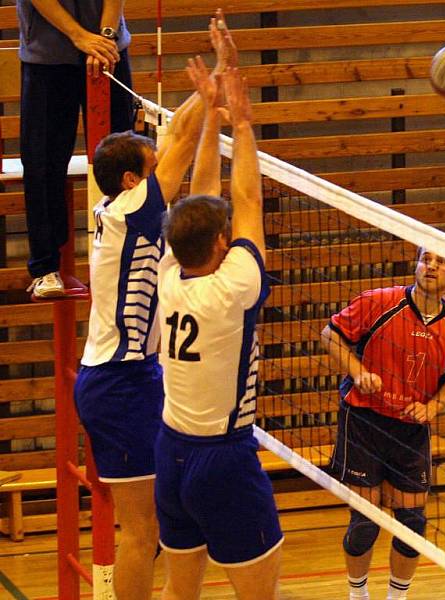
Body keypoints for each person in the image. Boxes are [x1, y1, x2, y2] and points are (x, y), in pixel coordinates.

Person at [73, 12, 236, 600]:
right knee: (142, 532)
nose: (156, 173)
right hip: (119, 383)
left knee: (160, 528)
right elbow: (181, 148)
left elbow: (170, 145)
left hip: (130, 376)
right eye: (146, 171)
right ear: (128, 181)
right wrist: (211, 87)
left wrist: (208, 91)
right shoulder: (131, 212)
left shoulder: (117, 208)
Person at [155, 63, 283, 600]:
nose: (233, 236)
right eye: (224, 234)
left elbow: (200, 194)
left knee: (180, 594)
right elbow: (248, 200)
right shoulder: (233, 287)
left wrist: (211, 111)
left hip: (171, 451)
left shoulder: (167, 273)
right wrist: (243, 115)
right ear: (217, 246)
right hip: (224, 460)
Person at [321, 247, 445, 600]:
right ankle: (358, 595)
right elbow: (330, 335)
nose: (432, 266)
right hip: (364, 422)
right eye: (426, 259)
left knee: (412, 524)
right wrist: (358, 372)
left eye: (441, 262)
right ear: (416, 265)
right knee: (364, 524)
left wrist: (434, 406)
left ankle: (397, 597)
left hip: (410, 431)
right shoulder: (379, 302)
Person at [17, 0, 135, 298]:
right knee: (42, 163)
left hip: (109, 52)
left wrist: (106, 37)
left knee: (124, 160)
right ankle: (46, 268)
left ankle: (125, 259)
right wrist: (79, 36)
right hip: (47, 56)